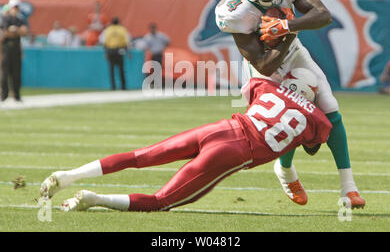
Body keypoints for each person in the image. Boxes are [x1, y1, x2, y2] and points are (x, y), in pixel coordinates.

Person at [40, 67, 332, 212]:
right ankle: (94, 199)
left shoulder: (267, 86)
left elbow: (253, 92)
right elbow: (311, 147)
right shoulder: (318, 119)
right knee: (161, 201)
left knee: (140, 156)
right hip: (235, 152)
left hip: (219, 129)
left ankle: (70, 174)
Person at [215, 0, 365, 208]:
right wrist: (287, 32)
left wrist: (287, 26)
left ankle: (348, 188)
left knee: (330, 107)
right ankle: (285, 170)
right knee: (287, 117)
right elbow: (264, 63)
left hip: (293, 50)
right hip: (263, 66)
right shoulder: (235, 11)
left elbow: (323, 15)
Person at [0, 0, 28, 102]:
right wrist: (17, 31)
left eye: (17, 7)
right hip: (7, 48)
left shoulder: (20, 19)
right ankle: (4, 95)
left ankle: (16, 95)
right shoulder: (5, 19)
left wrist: (15, 31)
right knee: (4, 73)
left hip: (16, 48)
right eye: (14, 7)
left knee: (17, 73)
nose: (16, 9)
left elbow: (25, 32)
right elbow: (6, 33)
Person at [102, 17, 131, 91]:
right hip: (120, 50)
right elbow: (127, 41)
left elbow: (104, 42)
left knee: (111, 70)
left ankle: (113, 87)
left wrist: (105, 52)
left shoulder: (108, 29)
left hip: (110, 50)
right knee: (121, 69)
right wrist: (128, 52)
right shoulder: (122, 29)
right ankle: (123, 86)